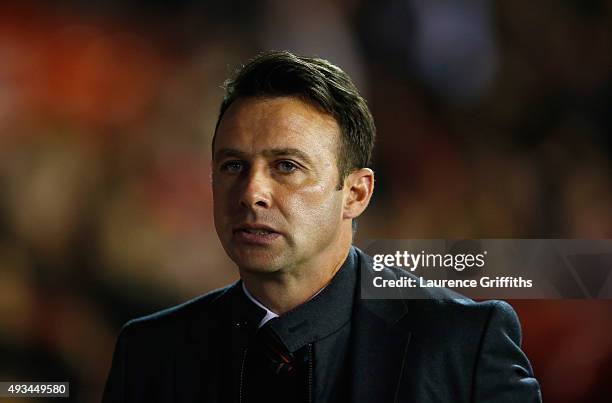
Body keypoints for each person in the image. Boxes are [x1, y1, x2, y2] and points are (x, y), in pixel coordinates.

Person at [102, 51, 541, 403]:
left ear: (355, 194)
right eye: (233, 165)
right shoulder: (149, 353)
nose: (251, 192)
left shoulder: (461, 342)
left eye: (286, 166)